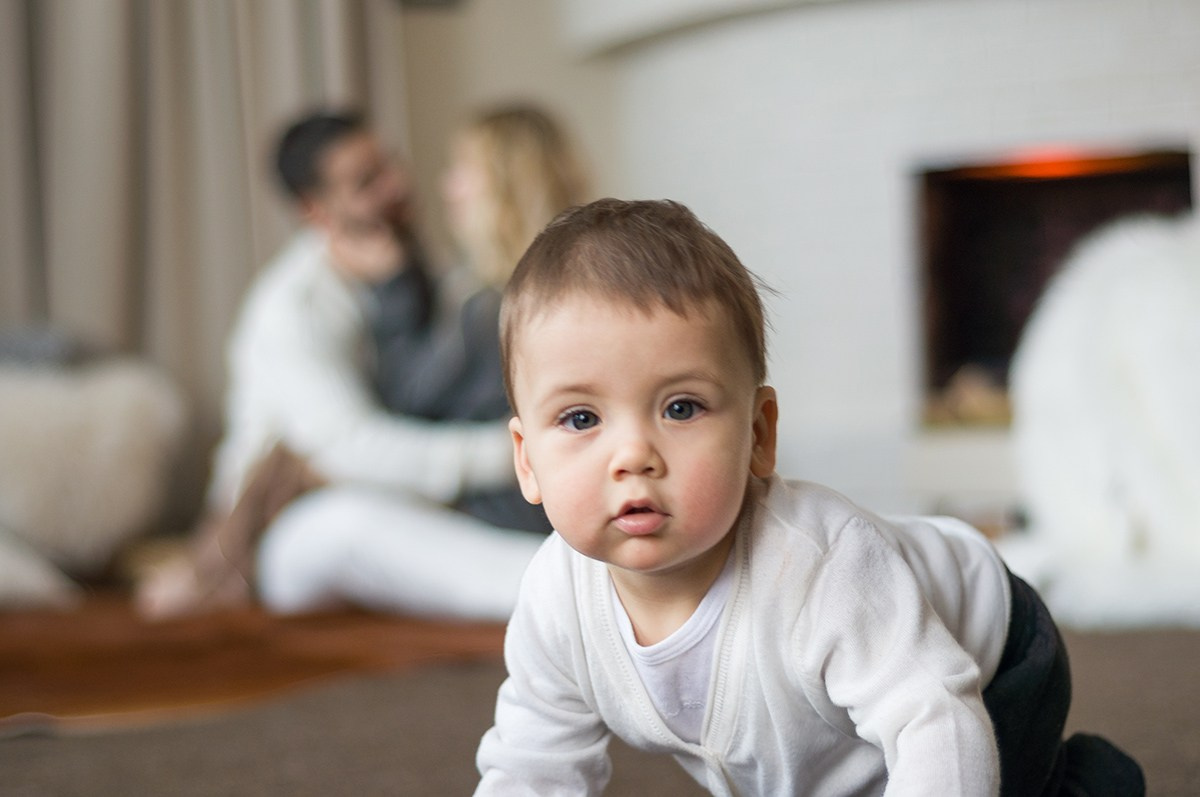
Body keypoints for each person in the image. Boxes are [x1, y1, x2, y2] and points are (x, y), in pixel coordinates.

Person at [474, 199, 1144, 795]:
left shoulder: (823, 570)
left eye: (681, 407)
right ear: (527, 460)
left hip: (986, 660)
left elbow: (937, 723)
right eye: (581, 419)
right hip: (835, 721)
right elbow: (532, 765)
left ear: (759, 435)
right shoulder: (556, 601)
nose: (633, 455)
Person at [135, 109, 545, 620]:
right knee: (346, 526)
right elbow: (353, 450)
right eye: (367, 182)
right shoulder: (294, 308)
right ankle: (563, 590)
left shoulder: (417, 267)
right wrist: (516, 453)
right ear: (314, 209)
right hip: (286, 520)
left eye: (389, 164)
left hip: (404, 490)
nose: (398, 186)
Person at [368, 104, 588, 530]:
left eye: (461, 170)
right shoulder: (568, 287)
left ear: (500, 186)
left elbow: (405, 402)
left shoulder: (494, 306)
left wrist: (392, 284)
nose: (447, 187)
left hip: (510, 511)